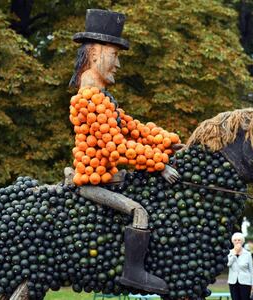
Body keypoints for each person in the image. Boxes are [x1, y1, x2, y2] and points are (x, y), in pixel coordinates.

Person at [66, 9, 184, 294]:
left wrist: (168, 142)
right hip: (93, 184)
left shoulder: (104, 101)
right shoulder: (89, 99)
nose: (117, 64)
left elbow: (133, 129)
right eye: (114, 55)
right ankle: (134, 273)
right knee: (139, 211)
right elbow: (117, 150)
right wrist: (160, 163)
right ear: (95, 54)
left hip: (110, 179)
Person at [227, 232, 253, 300]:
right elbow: (228, 264)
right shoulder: (229, 253)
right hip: (232, 281)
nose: (237, 242)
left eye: (239, 240)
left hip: (245, 282)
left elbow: (251, 270)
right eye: (235, 240)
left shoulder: (247, 254)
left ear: (242, 241)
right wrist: (235, 254)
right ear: (232, 241)